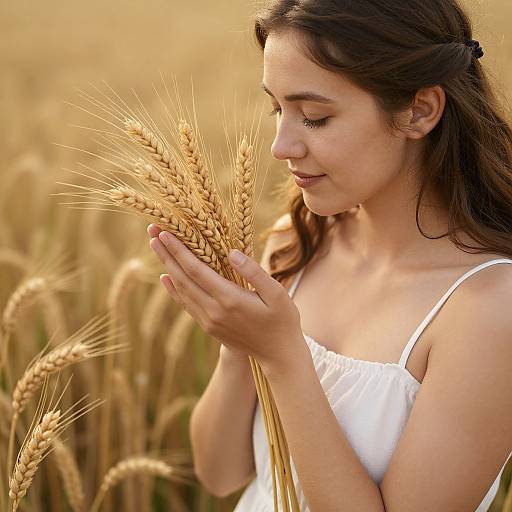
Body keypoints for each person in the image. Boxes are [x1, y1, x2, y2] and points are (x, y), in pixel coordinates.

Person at [148, 0, 512, 510]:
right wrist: (238, 343)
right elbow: (220, 472)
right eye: (278, 109)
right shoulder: (297, 245)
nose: (280, 145)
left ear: (420, 110)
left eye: (315, 118)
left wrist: (282, 355)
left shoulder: (489, 311)